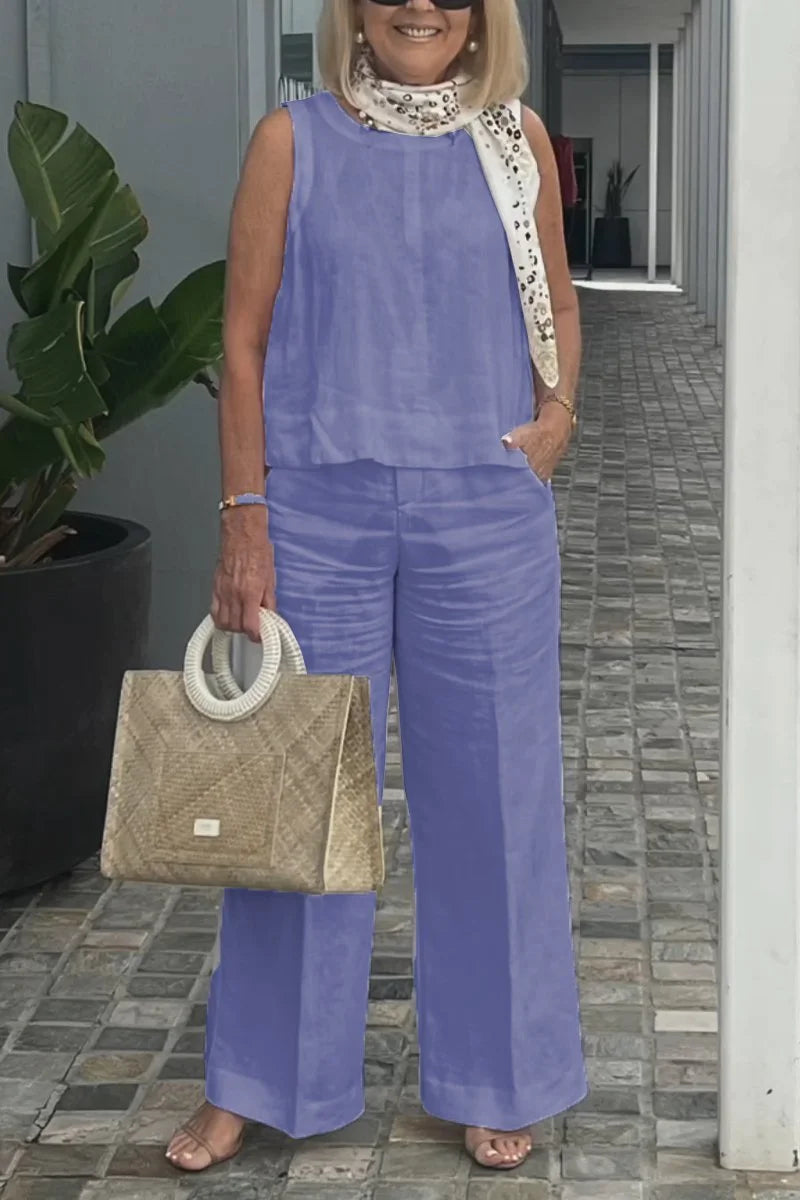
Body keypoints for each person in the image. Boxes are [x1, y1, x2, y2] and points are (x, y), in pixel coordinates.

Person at [166, 0, 587, 1174]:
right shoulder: (289, 141)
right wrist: (244, 515)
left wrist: (556, 415)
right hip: (316, 514)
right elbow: (241, 342)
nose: (420, 6)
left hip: (483, 512)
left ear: (480, 15)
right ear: (351, 9)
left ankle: (498, 1073)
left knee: (496, 801)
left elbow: (555, 302)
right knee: (298, 804)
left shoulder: (513, 140)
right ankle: (259, 1078)